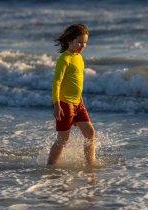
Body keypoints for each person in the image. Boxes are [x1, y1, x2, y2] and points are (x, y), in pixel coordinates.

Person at [47, 23, 98, 167]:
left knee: (90, 133)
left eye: (85, 43)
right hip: (64, 103)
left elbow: (76, 81)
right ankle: (50, 166)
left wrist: (80, 99)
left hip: (78, 103)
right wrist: (56, 105)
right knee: (63, 139)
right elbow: (57, 83)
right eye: (79, 42)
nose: (83, 45)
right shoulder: (64, 59)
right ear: (70, 41)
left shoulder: (79, 58)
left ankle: (91, 163)